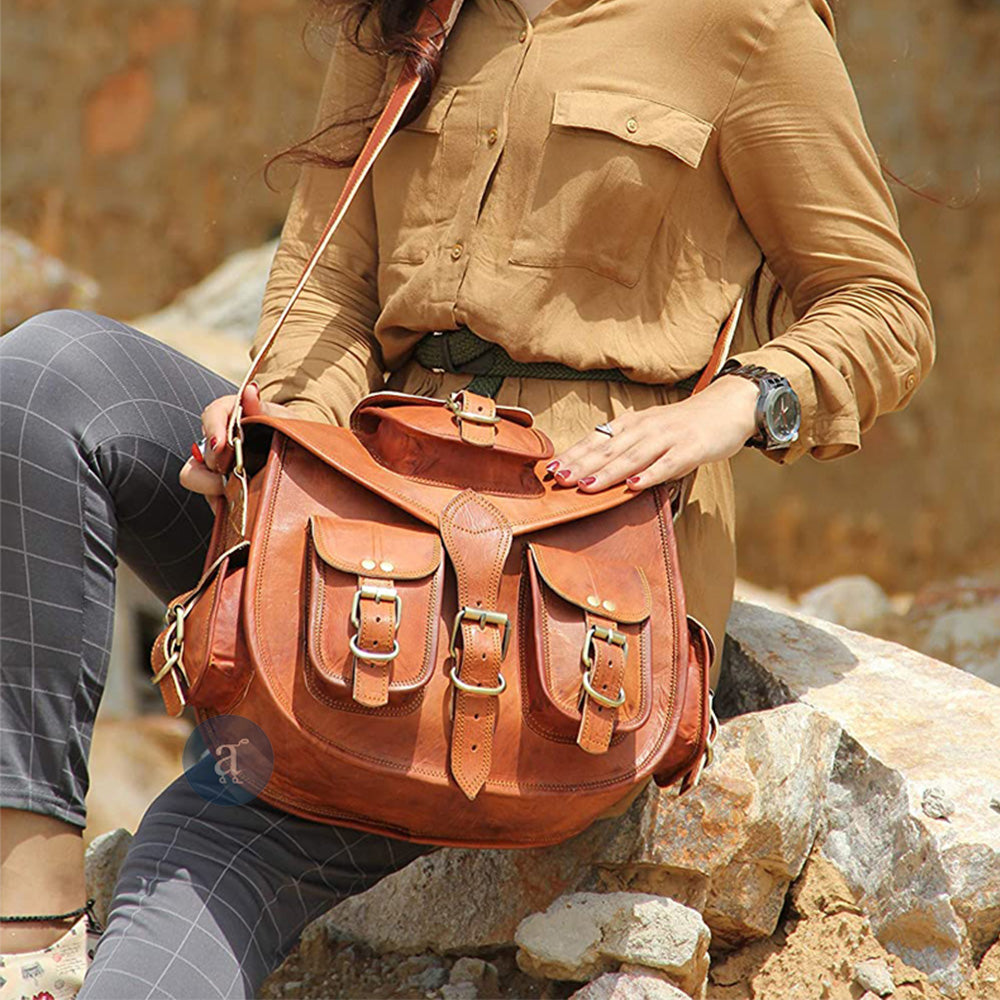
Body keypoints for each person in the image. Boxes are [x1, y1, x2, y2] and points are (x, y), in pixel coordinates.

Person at [0, 0, 934, 996]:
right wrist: (279, 444)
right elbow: (330, 293)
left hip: (572, 591)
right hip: (367, 528)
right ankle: (29, 913)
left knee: (210, 828)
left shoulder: (749, 24)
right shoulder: (407, 13)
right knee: (54, 374)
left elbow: (880, 306)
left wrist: (743, 401)